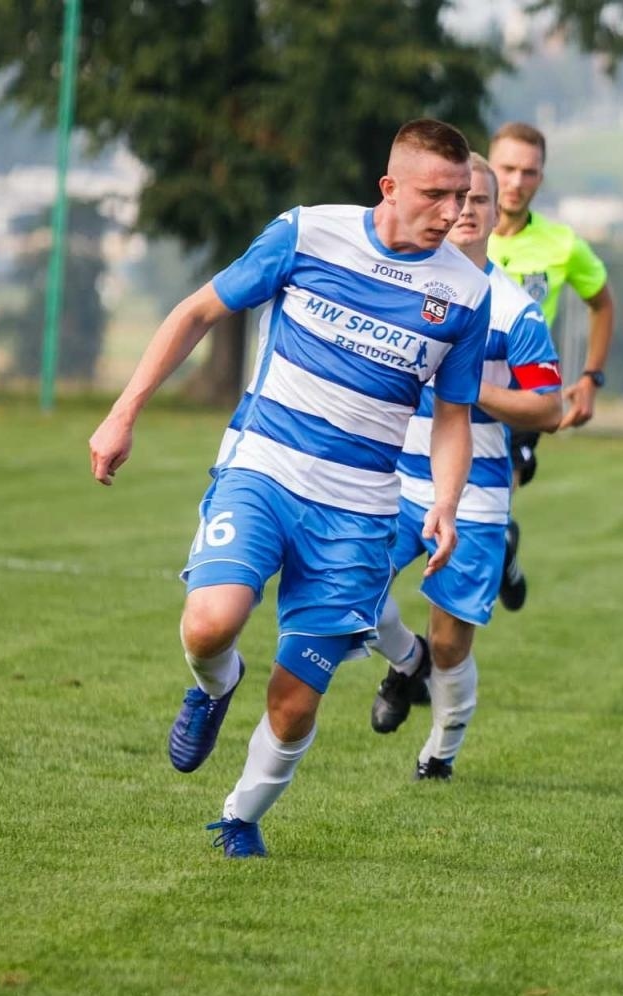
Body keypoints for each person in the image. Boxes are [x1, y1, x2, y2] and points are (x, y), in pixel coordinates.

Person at [87, 120, 490, 858]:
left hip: (361, 511)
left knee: (297, 699)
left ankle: (239, 818)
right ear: (389, 188)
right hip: (264, 469)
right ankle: (213, 687)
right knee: (210, 623)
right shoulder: (307, 234)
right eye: (436, 194)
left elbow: (454, 416)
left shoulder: (466, 292)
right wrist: (124, 412)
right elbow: (199, 311)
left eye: (462, 196)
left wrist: (444, 501)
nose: (452, 212)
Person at [367, 153, 562, 779]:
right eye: (459, 198)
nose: (467, 211)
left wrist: (469, 386)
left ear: (493, 209)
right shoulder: (397, 282)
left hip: (474, 491)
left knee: (453, 640)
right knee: (347, 588)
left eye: (481, 200)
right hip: (391, 476)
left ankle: (441, 752)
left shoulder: (513, 311)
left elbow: (548, 407)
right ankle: (405, 661)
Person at [485, 121, 616, 611]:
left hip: (524, 396)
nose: (516, 181)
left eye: (529, 172)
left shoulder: (562, 245)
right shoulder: (453, 233)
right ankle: (501, 547)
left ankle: (497, 544)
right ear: (487, 167)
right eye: (507, 168)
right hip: (455, 391)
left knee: (491, 500)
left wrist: (590, 377)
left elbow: (602, 304)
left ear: (541, 178)